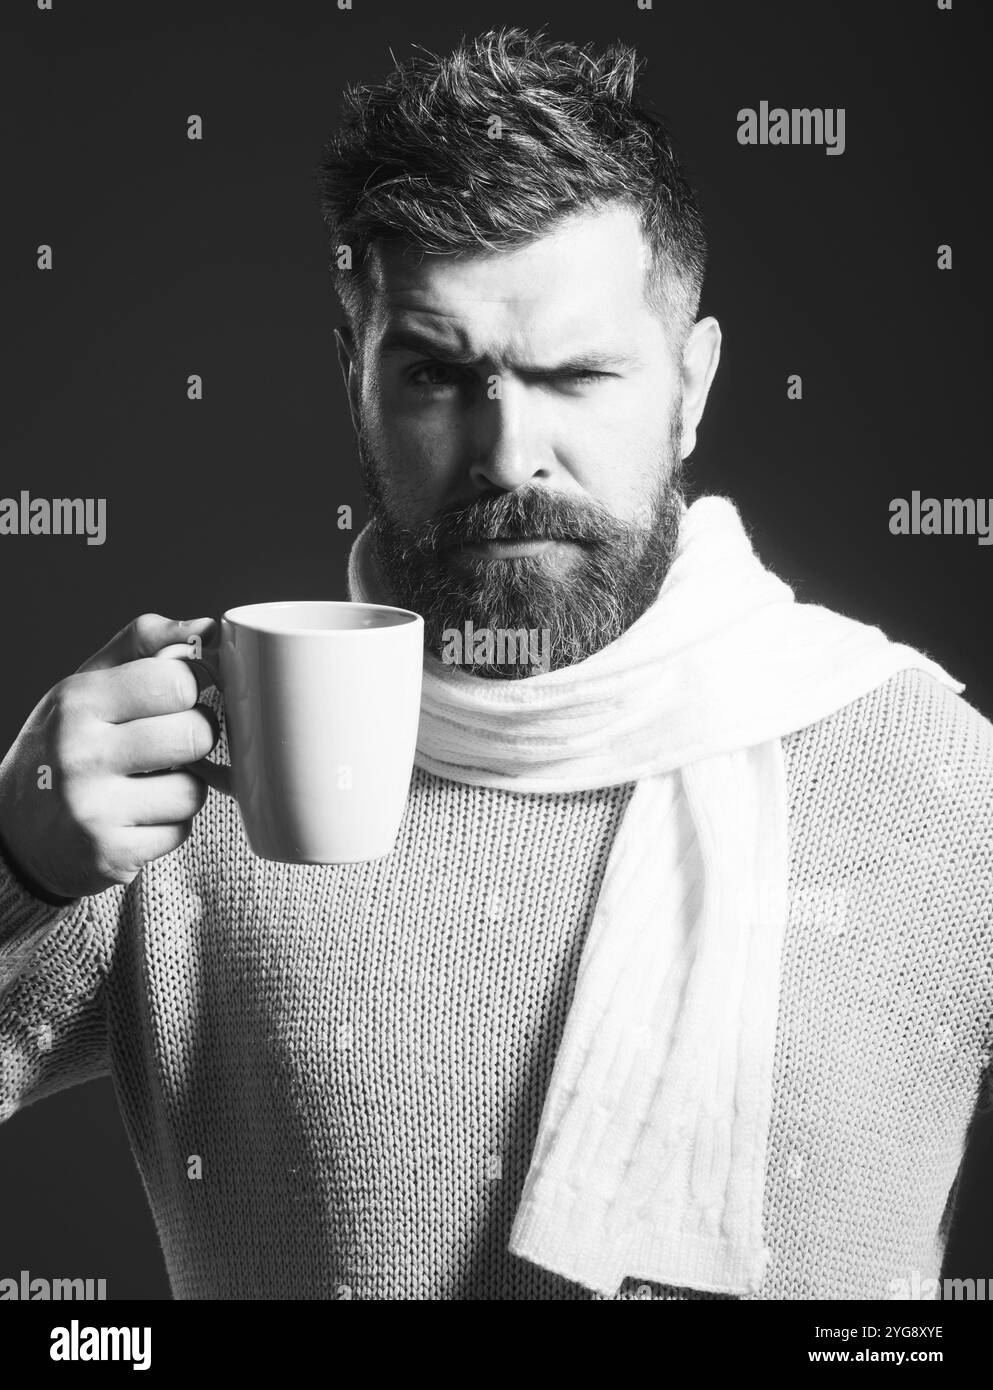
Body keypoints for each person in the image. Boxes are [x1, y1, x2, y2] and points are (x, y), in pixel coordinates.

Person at [1, 26, 991, 1302]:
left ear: (691, 388)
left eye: (577, 374)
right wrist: (13, 867)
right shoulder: (177, 770)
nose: (510, 450)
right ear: (354, 383)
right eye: (437, 373)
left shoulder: (936, 777)